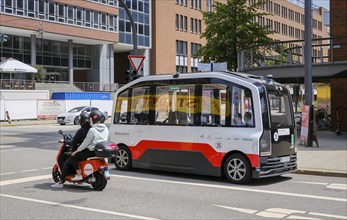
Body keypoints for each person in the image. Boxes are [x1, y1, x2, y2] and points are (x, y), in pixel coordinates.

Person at [51, 112, 91, 188]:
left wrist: (65, 141)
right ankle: (79, 180)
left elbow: (74, 141)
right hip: (90, 150)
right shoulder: (91, 129)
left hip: (84, 151)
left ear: (81, 120)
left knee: (69, 160)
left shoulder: (82, 130)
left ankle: (61, 181)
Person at [69, 110, 109, 181]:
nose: (90, 121)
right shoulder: (106, 129)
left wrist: (76, 151)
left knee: (73, 157)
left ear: (94, 119)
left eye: (91, 119)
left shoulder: (92, 130)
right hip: (100, 151)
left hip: (91, 151)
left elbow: (85, 143)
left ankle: (79, 175)